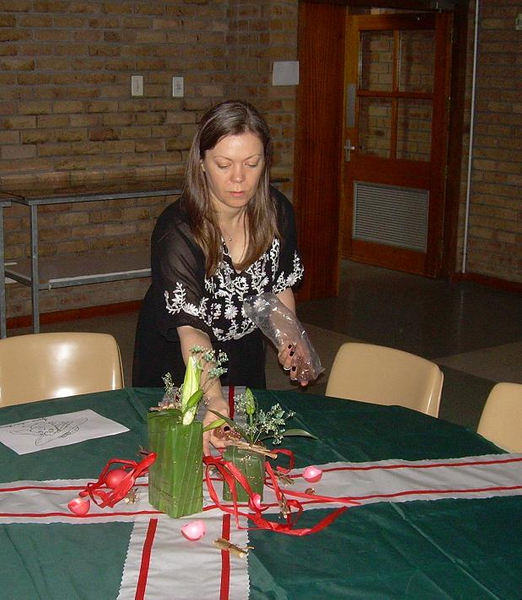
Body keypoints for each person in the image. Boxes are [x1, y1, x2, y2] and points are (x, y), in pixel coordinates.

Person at [133, 100, 305, 453]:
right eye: (224, 165)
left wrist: (289, 337)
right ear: (202, 164)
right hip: (179, 354)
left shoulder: (277, 212)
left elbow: (279, 286)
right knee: (179, 457)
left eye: (251, 164)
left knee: (241, 451)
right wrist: (211, 396)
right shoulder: (178, 229)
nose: (239, 178)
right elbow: (191, 330)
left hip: (242, 347)